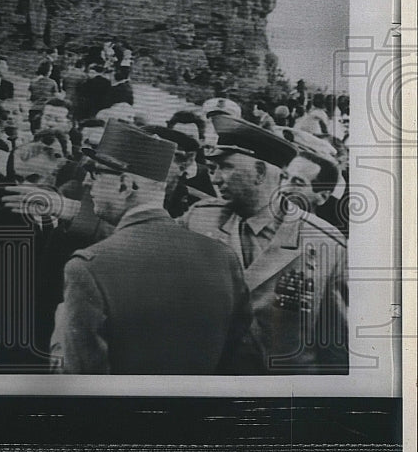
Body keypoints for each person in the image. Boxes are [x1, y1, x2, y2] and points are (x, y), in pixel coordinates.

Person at [50, 120, 256, 374]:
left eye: (96, 173)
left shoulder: (88, 268)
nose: (87, 182)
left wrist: (59, 339)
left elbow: (82, 381)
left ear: (125, 185)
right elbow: (241, 357)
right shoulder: (223, 257)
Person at [184, 113, 348, 374]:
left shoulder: (324, 243)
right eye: (214, 169)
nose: (215, 179)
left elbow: (337, 351)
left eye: (226, 167)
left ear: (260, 172)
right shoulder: (199, 218)